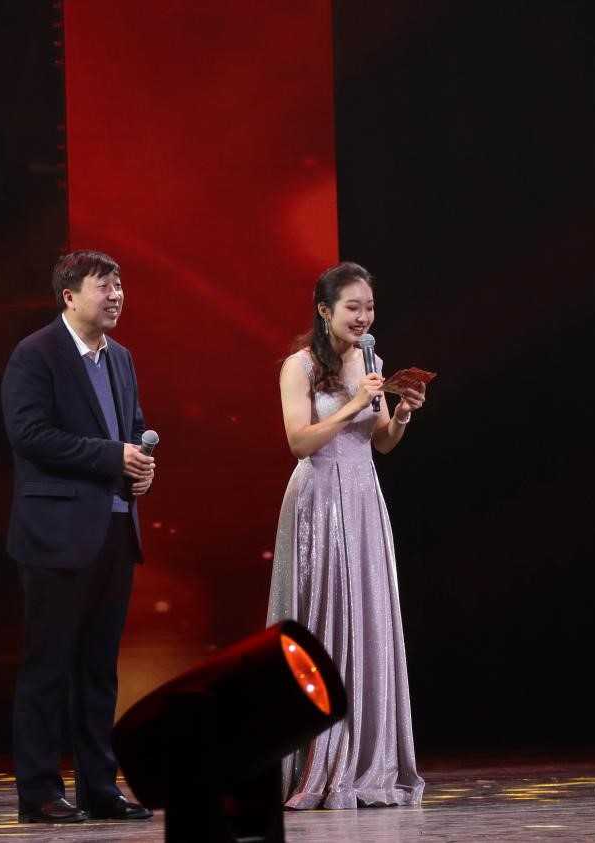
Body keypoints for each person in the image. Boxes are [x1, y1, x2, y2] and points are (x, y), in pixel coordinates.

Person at [1, 250, 156, 824]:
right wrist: (113, 456)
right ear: (68, 296)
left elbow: (132, 428)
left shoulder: (121, 357)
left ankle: (100, 787)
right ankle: (40, 791)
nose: (116, 296)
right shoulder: (36, 353)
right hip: (56, 534)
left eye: (119, 286)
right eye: (103, 286)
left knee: (99, 669)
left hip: (114, 527)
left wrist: (140, 466)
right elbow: (29, 434)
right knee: (48, 667)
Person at [266, 261, 426, 810]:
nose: (363, 317)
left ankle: (366, 757)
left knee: (367, 622)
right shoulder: (300, 366)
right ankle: (314, 759)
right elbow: (298, 442)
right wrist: (356, 402)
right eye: (352, 307)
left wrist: (399, 414)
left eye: (369, 307)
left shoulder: (372, 360)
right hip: (318, 500)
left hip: (363, 499)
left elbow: (379, 442)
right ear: (324, 310)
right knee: (323, 624)